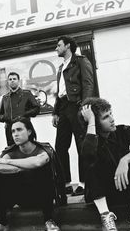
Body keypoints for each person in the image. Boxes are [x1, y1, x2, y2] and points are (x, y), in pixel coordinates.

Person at [79, 97, 130, 231]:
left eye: (111, 114)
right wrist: (91, 122)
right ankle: (106, 217)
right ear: (95, 122)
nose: (112, 119)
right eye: (106, 117)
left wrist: (124, 161)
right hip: (101, 195)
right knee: (90, 162)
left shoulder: (122, 131)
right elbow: (88, 155)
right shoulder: (89, 140)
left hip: (123, 188)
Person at [0, 117, 66, 231]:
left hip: (41, 196)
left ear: (29, 131)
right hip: (19, 197)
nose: (15, 134)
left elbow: (38, 162)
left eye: (19, 130)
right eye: (13, 131)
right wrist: (23, 168)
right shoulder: (10, 151)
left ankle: (49, 220)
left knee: (43, 170)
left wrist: (9, 162)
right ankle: (2, 222)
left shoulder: (43, 149)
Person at [52, 36, 95, 195]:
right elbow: (60, 92)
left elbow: (88, 84)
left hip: (76, 105)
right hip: (63, 107)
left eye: (58, 45)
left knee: (81, 145)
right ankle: (66, 184)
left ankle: (84, 184)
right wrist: (55, 112)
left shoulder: (81, 61)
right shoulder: (60, 67)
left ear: (68, 46)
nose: (56, 48)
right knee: (60, 147)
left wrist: (85, 107)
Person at [0, 72, 40, 146]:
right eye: (10, 79)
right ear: (7, 82)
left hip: (24, 128)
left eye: (14, 79)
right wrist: (6, 118)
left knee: (28, 152)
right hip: (10, 131)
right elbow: (0, 115)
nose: (12, 81)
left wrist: (24, 115)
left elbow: (36, 109)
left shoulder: (27, 94)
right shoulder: (5, 98)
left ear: (18, 81)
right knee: (13, 153)